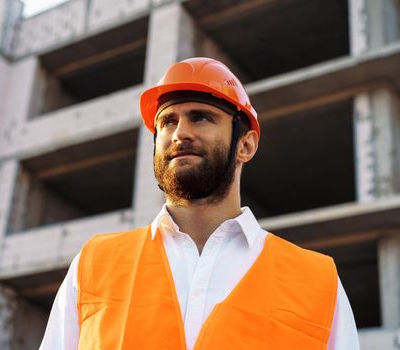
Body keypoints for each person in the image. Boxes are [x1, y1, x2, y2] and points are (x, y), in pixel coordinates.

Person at [39, 57, 360, 349]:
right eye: (167, 122)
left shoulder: (318, 281)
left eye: (201, 117)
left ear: (245, 145)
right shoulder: (93, 264)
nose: (180, 133)